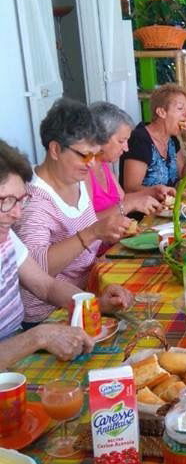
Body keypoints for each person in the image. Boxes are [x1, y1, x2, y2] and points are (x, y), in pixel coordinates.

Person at [15, 99, 133, 325]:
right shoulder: (33, 201)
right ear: (55, 149)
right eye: (85, 155)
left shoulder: (77, 179)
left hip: (87, 295)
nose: (91, 164)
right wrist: (93, 232)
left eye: (95, 155)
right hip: (50, 315)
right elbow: (38, 271)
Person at [0, 139, 116, 365]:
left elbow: (46, 286)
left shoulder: (7, 237)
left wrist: (93, 304)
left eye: (21, 201)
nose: (17, 214)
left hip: (18, 356)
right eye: (7, 201)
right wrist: (38, 337)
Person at [120, 84, 186, 195]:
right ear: (161, 112)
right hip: (146, 206)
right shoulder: (140, 139)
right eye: (180, 108)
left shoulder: (172, 139)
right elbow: (131, 189)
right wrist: (172, 191)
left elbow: (184, 176)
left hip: (172, 204)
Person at [87, 102, 162, 217]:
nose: (126, 148)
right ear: (100, 137)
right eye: (121, 141)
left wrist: (154, 191)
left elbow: (121, 199)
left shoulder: (103, 164)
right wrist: (130, 205)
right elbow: (86, 223)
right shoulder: (83, 171)